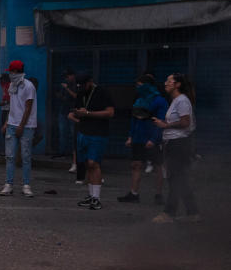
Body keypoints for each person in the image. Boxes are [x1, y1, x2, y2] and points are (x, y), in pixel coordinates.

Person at [152, 73, 198, 223]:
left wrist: (166, 125)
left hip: (179, 144)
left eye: (169, 81)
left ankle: (169, 213)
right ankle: (193, 213)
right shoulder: (176, 101)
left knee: (175, 179)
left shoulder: (182, 101)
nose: (166, 83)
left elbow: (185, 122)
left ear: (177, 84)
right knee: (180, 179)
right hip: (174, 143)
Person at [118, 73, 167, 204]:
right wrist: (130, 136)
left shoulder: (159, 101)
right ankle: (134, 194)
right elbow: (134, 120)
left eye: (140, 85)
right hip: (138, 138)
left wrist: (154, 139)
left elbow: (161, 121)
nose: (137, 88)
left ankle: (159, 194)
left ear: (147, 86)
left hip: (152, 138)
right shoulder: (139, 100)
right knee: (136, 164)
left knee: (158, 165)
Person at [71, 72, 114, 210]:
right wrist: (78, 113)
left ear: (90, 82)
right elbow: (75, 111)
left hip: (98, 133)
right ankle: (91, 195)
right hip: (83, 132)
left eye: (83, 85)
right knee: (86, 164)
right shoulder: (80, 93)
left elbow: (110, 113)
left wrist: (88, 113)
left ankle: (97, 198)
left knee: (93, 163)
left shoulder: (102, 92)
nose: (81, 88)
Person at [0, 60, 37, 197]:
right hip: (12, 125)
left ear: (16, 72)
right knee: (10, 156)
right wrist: (6, 123)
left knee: (26, 157)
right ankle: (8, 184)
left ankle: (26, 185)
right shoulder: (12, 86)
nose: (9, 74)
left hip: (26, 126)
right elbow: (13, 106)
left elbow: (28, 107)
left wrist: (21, 125)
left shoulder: (29, 86)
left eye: (11, 71)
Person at [54, 69, 78, 160]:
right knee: (62, 133)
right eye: (65, 77)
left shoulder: (77, 85)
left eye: (67, 76)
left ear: (73, 75)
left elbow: (76, 96)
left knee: (73, 134)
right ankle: (62, 152)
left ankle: (74, 154)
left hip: (73, 112)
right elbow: (64, 98)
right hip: (64, 110)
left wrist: (67, 88)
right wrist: (60, 95)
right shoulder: (64, 85)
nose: (66, 78)